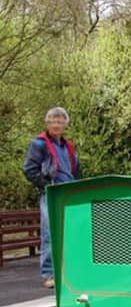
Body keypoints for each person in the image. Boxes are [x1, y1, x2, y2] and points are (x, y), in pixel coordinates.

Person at [23, 107, 80, 289]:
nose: (56, 124)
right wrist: (45, 185)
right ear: (47, 123)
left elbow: (75, 170)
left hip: (69, 192)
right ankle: (48, 274)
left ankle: (67, 271)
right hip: (52, 192)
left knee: (70, 232)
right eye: (53, 121)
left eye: (60, 121)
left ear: (65, 125)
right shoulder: (38, 144)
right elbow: (29, 169)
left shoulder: (67, 145)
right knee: (49, 233)